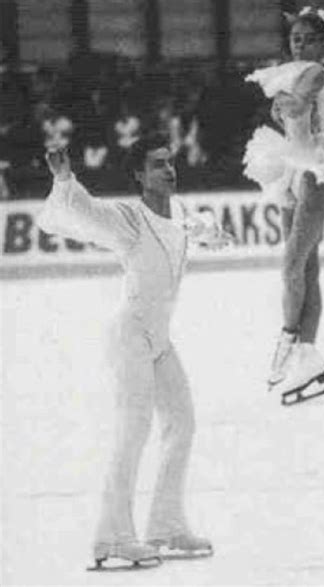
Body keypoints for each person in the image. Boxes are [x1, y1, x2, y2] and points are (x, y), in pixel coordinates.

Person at [37, 135, 232, 569]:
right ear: (140, 176)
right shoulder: (129, 218)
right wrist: (64, 177)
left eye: (170, 162)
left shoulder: (179, 213)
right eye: (158, 165)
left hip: (159, 339)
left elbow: (197, 228)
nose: (169, 169)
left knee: (181, 424)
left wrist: (216, 235)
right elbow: (85, 210)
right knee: (134, 431)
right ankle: (111, 538)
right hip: (130, 336)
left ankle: (164, 525)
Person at [243, 6, 324, 402]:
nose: (299, 44)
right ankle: (308, 357)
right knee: (306, 271)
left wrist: (289, 100)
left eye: (307, 39)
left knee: (291, 267)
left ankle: (289, 341)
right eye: (295, 39)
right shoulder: (296, 73)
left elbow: (300, 104)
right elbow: (291, 108)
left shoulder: (315, 73)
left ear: (323, 43)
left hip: (315, 175)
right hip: (294, 172)